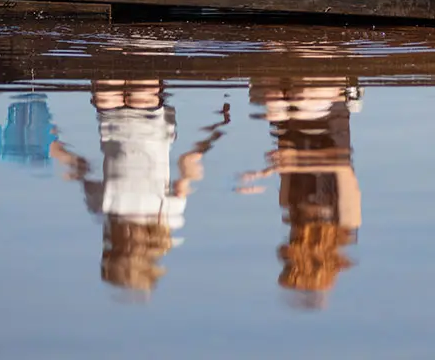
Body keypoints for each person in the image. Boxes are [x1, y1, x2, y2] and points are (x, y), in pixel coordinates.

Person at [50, 79, 230, 298]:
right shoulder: (167, 218)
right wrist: (210, 137)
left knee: (106, 94)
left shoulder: (103, 209)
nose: (126, 241)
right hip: (152, 123)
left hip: (112, 121)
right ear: (147, 252)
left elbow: (79, 168)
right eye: (126, 249)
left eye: (118, 248)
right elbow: (187, 166)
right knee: (142, 94)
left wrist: (52, 144)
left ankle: (114, 50)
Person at [237, 76, 363, 309]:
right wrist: (297, 160)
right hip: (328, 120)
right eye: (289, 261)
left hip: (292, 123)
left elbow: (285, 152)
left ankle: (275, 52)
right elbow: (341, 163)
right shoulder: (347, 222)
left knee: (272, 107)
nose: (285, 251)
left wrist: (265, 171)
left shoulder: (291, 214)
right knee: (304, 99)